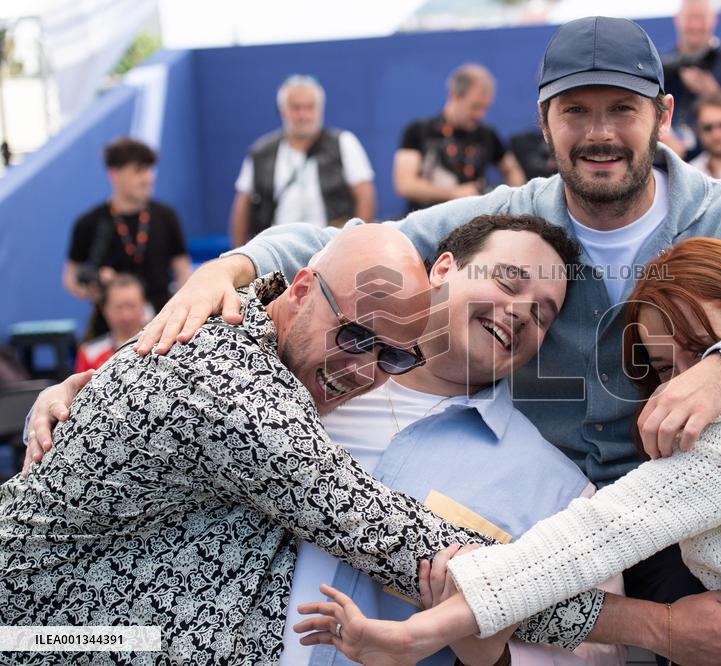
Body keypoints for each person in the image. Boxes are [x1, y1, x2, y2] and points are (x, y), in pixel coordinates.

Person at [31, 15, 721, 660]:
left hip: (691, 512)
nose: (599, 132)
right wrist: (215, 281)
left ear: (663, 115)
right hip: (560, 531)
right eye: (576, 111)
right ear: (545, 119)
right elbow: (348, 250)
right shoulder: (504, 218)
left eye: (621, 110)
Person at [304, 238, 721, 666]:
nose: (689, 378)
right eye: (667, 367)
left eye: (702, 347)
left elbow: (589, 540)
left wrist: (417, 635)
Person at [4, 225, 606, 662]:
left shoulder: (554, 484)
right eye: (354, 335)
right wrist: (661, 629)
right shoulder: (242, 390)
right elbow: (402, 541)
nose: (364, 369)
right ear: (298, 292)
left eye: (392, 354)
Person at [285, 215, 630, 666]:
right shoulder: (306, 384)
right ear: (444, 269)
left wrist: (491, 656)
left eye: (542, 314)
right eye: (508, 283)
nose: (523, 313)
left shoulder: (563, 495)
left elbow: (600, 658)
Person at [229, 75, 376, 248]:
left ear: (320, 109)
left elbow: (365, 195)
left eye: (310, 107)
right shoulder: (260, 151)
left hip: (331, 246)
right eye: (296, 108)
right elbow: (242, 206)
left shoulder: (343, 142)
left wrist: (356, 244)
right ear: (282, 110)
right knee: (272, 276)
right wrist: (239, 253)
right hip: (277, 248)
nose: (303, 115)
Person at [63, 137, 191, 336]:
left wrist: (179, 309)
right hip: (108, 329)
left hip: (161, 323)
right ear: (114, 175)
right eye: (138, 171)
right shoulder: (90, 222)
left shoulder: (165, 216)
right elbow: (71, 277)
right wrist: (92, 290)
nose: (148, 178)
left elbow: (182, 268)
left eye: (149, 170)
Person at [393, 64, 525, 213]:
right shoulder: (418, 130)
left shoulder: (487, 134)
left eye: (485, 108)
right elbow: (404, 184)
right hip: (426, 223)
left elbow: (511, 169)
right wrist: (454, 193)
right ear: (454, 95)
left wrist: (512, 203)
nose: (480, 115)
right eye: (474, 107)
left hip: (473, 226)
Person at [658, 0, 721, 157]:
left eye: (701, 19)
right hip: (673, 160)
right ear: (677, 20)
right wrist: (664, 135)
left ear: (713, 20)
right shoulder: (661, 63)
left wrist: (711, 92)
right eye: (690, 18)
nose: (695, 26)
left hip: (720, 161)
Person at [74, 274, 149, 373]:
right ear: (104, 309)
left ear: (144, 306)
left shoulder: (161, 348)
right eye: (119, 307)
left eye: (132, 306)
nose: (126, 316)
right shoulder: (90, 354)